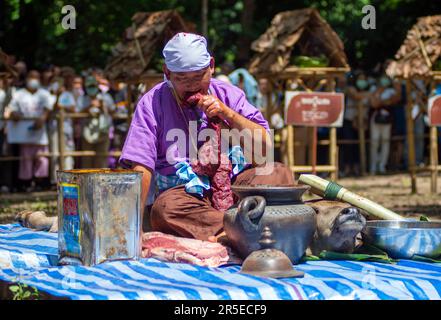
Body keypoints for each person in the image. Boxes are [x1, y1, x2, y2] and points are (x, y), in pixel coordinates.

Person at [119, 33, 291, 241]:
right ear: (167, 72)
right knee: (164, 209)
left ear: (211, 66)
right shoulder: (151, 103)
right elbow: (141, 165)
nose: (191, 85)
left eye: (198, 76)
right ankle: (245, 230)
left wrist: (228, 114)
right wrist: (133, 226)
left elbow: (264, 153)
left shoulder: (229, 94)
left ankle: (229, 231)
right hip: (186, 196)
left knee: (278, 173)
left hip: (236, 189)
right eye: (182, 78)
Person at [7, 70, 52, 191]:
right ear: (27, 79)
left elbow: (48, 108)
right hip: (24, 134)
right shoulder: (19, 94)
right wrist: (14, 114)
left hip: (40, 134)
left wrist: (43, 118)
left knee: (41, 158)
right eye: (31, 77)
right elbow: (12, 109)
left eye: (36, 77)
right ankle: (26, 183)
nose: (34, 80)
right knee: (25, 159)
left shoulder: (44, 93)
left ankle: (39, 183)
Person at [78, 76, 115, 168]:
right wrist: (89, 107)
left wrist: (103, 106)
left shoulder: (106, 97)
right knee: (87, 159)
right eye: (89, 86)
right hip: (87, 133)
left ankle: (101, 182)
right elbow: (77, 114)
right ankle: (86, 182)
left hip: (103, 132)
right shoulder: (82, 99)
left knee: (101, 160)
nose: (91, 88)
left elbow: (114, 111)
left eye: (93, 85)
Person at [369, 74, 401, 174]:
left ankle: (382, 166)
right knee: (374, 142)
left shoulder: (391, 90)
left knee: (385, 142)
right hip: (376, 119)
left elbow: (395, 100)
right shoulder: (374, 88)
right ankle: (373, 167)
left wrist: (381, 101)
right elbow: (374, 103)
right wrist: (383, 100)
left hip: (387, 120)